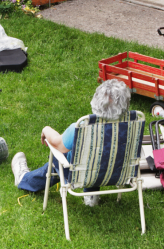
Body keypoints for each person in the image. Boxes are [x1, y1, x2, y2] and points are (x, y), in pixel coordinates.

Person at [11, 79, 132, 207]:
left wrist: (46, 129)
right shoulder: (132, 126)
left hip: (80, 175)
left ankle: (23, 179)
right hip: (117, 172)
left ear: (97, 101)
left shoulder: (80, 128)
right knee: (101, 156)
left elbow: (58, 145)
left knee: (59, 160)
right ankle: (91, 196)